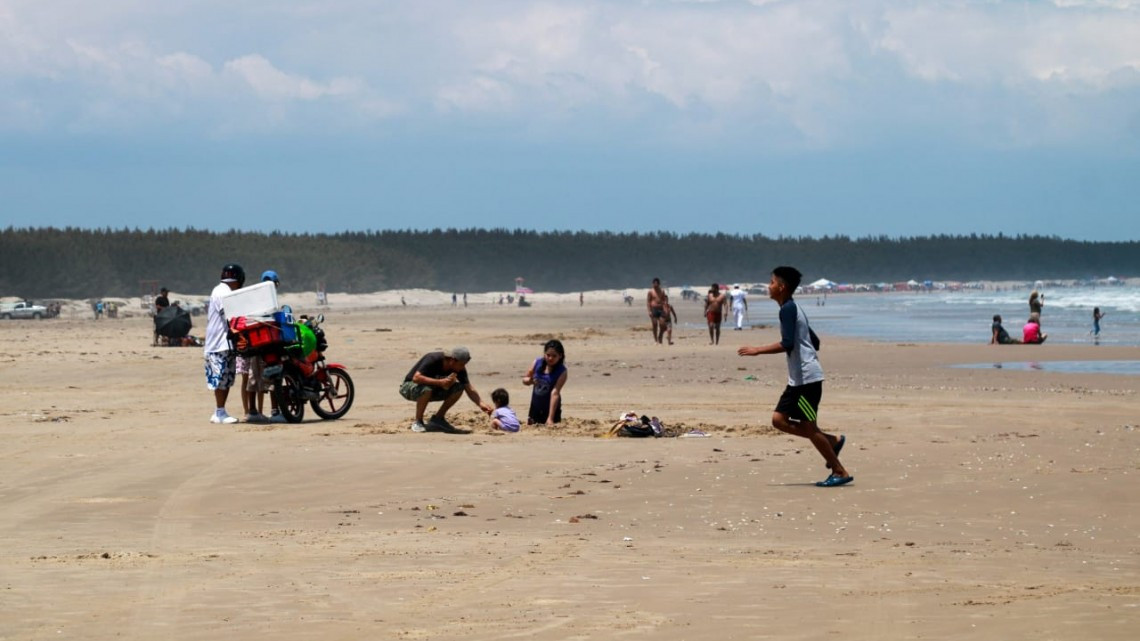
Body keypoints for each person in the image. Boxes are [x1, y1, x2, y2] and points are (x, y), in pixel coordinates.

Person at [737, 266, 851, 487]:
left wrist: (758, 350)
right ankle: (831, 441)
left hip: (807, 381)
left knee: (809, 427)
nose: (768, 286)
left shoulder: (788, 310)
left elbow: (788, 343)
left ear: (781, 287)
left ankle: (840, 471)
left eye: (771, 282)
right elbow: (814, 341)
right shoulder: (792, 308)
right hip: (798, 380)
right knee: (779, 420)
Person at [400, 346, 493, 432]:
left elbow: (469, 388)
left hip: (433, 390)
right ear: (453, 360)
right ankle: (418, 421)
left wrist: (481, 403)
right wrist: (440, 382)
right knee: (426, 389)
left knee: (459, 388)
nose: (462, 367)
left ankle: (438, 419)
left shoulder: (459, 369)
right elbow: (416, 378)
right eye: (461, 364)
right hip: (409, 387)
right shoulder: (433, 358)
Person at [204, 263, 245, 424]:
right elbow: (228, 315)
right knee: (221, 378)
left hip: (223, 343)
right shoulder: (222, 292)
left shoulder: (223, 290)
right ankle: (219, 412)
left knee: (226, 378)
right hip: (218, 343)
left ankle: (220, 411)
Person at [524, 339, 568, 425]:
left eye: (554, 356)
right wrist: (530, 381)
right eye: (548, 355)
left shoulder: (562, 371)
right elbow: (525, 380)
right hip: (535, 407)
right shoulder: (537, 362)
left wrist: (550, 418)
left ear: (560, 356)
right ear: (544, 354)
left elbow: (555, 393)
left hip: (551, 409)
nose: (550, 358)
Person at [647, 278, 668, 344]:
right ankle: (656, 340)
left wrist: (665, 308)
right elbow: (648, 302)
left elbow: (664, 300)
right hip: (654, 309)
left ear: (659, 284)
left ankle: (660, 336)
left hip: (661, 309)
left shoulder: (662, 291)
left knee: (663, 325)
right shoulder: (650, 291)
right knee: (655, 324)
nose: (655, 285)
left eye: (656, 284)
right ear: (652, 284)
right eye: (654, 284)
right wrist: (649, 311)